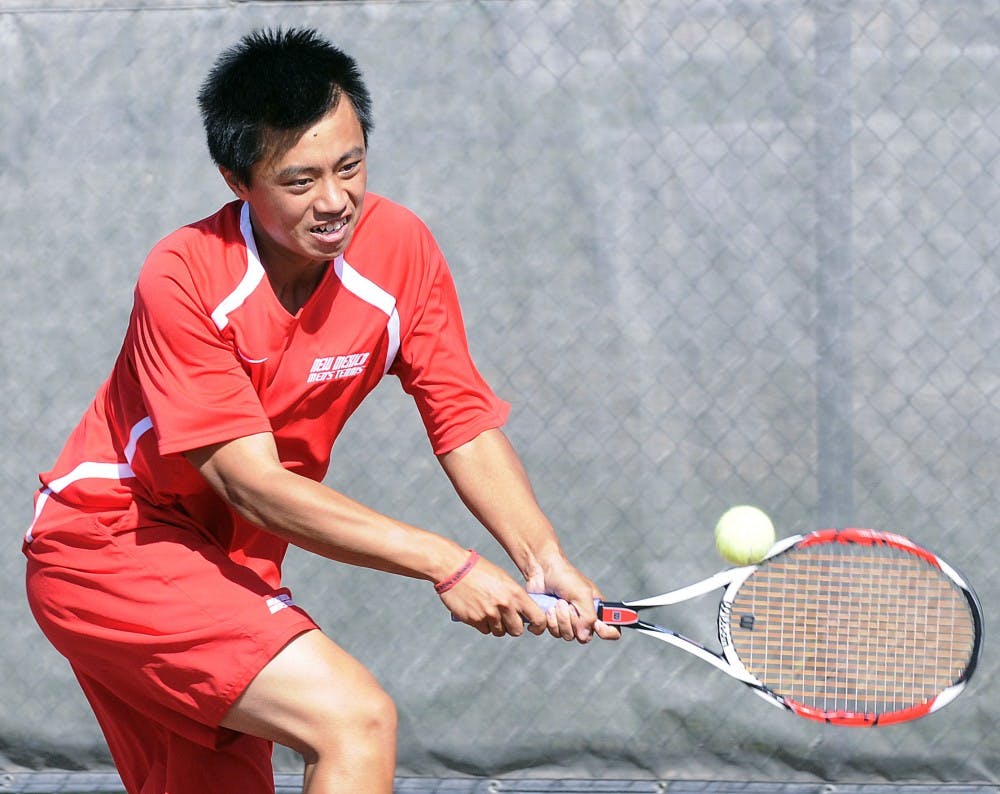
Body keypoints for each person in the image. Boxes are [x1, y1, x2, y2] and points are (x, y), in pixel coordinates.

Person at [23, 26, 618, 794]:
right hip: (111, 546)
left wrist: (542, 559)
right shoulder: (184, 276)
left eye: (350, 165)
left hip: (228, 567)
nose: (335, 200)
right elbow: (253, 485)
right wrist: (447, 562)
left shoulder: (401, 250)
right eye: (300, 181)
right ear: (238, 180)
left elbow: (463, 418)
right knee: (354, 721)